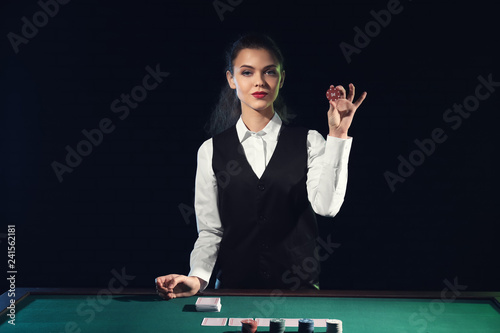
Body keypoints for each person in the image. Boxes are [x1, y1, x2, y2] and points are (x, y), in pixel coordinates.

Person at [156, 33, 366, 300]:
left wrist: (337, 135)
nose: (259, 81)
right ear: (231, 79)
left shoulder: (311, 141)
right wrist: (197, 278)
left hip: (299, 293)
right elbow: (210, 230)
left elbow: (327, 207)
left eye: (269, 72)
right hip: (233, 292)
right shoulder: (210, 150)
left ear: (282, 78)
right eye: (246, 72)